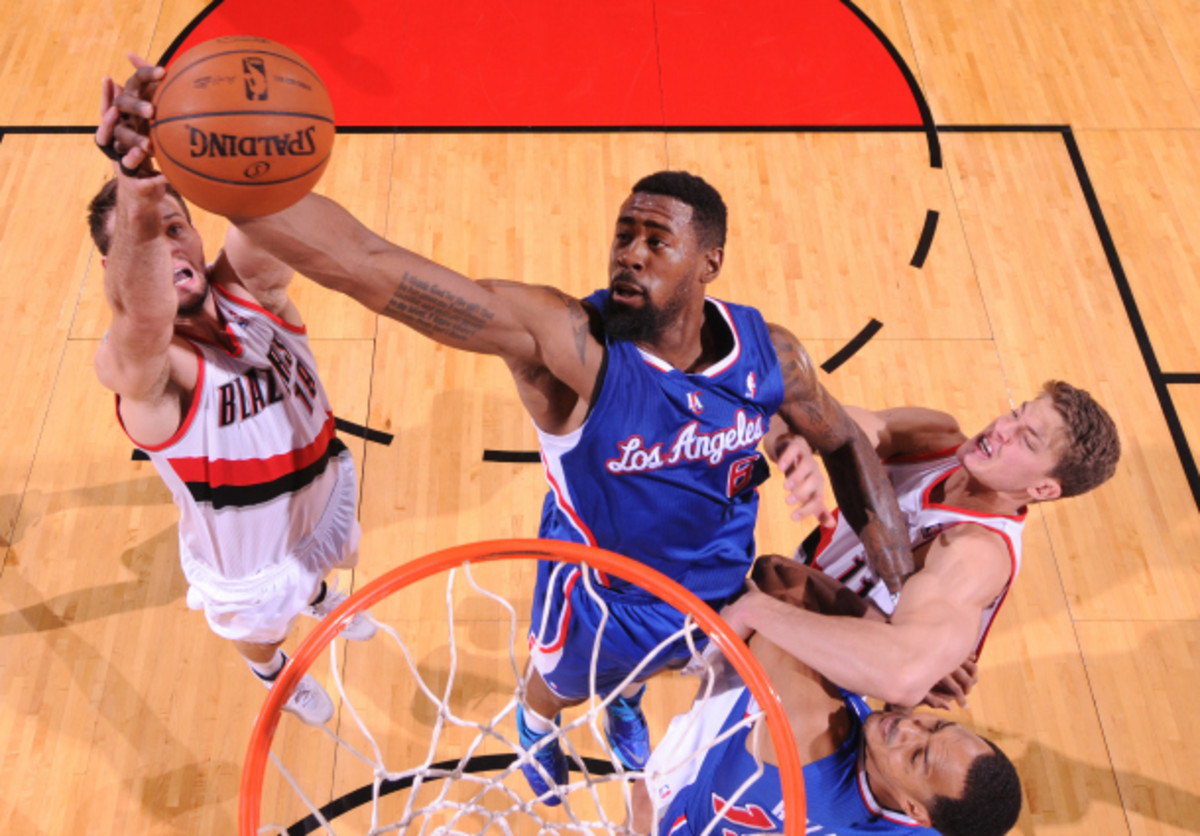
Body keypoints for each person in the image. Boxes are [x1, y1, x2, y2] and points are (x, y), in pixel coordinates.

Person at [102, 57, 914, 801]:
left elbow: (844, 440)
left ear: (710, 262)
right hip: (601, 594)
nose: (629, 255)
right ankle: (536, 723)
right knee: (556, 685)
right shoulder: (569, 347)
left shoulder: (772, 355)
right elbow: (367, 264)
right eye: (623, 235)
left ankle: (622, 698)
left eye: (656, 241)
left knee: (645, 678)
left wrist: (898, 586)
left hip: (717, 582)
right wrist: (186, 168)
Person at [89, 69, 376, 727]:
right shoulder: (148, 369)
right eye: (147, 237)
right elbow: (142, 317)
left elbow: (275, 204)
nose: (171, 245)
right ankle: (270, 672)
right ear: (114, 268)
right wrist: (134, 186)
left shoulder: (249, 289)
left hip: (321, 497)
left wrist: (222, 125)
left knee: (331, 564)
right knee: (262, 635)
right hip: (250, 564)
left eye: (176, 227)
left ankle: (317, 594)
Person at [721, 382, 1120, 709]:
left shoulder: (978, 554)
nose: (1002, 428)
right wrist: (793, 447)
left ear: (1043, 489)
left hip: (819, 675)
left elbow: (901, 674)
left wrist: (760, 611)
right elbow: (789, 407)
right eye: (1017, 413)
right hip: (780, 597)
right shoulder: (934, 437)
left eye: (1026, 440)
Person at [632, 561, 1023, 836]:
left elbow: (777, 577)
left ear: (914, 809)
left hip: (686, 796)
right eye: (935, 726)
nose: (908, 727)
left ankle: (624, 701)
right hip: (746, 797)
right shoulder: (938, 818)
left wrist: (894, 647)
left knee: (643, 795)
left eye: (917, 755)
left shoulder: (814, 727)